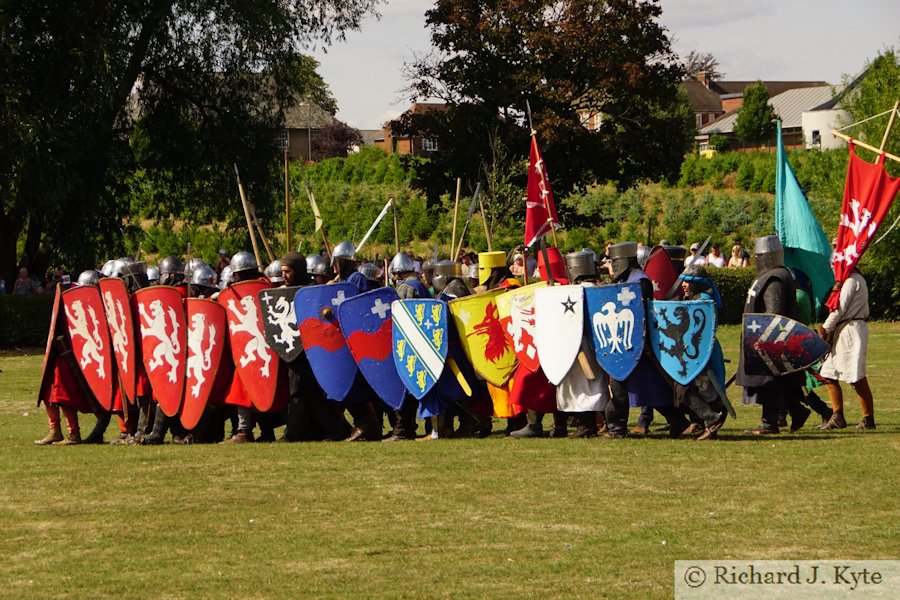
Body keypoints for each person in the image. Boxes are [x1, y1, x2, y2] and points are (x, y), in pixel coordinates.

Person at [736, 235, 809, 435]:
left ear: (767, 256)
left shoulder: (775, 278)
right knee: (777, 382)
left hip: (770, 338)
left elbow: (774, 313)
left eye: (760, 256)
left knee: (768, 381)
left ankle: (770, 423)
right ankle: (796, 411)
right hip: (763, 336)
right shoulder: (772, 275)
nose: (757, 259)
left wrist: (766, 336)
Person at [819, 270, 875, 430]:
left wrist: (825, 327)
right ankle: (837, 416)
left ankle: (868, 419)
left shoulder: (852, 280)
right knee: (828, 373)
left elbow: (840, 308)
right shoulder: (847, 281)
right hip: (843, 330)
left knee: (855, 376)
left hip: (851, 331)